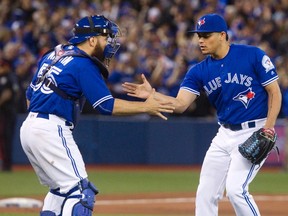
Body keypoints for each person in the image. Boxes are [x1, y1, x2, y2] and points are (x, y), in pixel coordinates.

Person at [122, 13, 282, 215]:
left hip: (254, 129)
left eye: (206, 35)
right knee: (205, 193)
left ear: (223, 35)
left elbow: (274, 92)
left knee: (235, 190)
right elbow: (180, 104)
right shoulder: (198, 71)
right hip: (224, 134)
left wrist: (268, 126)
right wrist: (152, 95)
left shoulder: (252, 55)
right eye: (199, 35)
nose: (201, 40)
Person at [19, 15, 174, 216]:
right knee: (81, 192)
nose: (110, 43)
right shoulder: (83, 63)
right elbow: (106, 105)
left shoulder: (53, 54)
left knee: (59, 191)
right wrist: (145, 106)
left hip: (29, 127)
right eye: (106, 37)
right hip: (51, 128)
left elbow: (29, 97)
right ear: (92, 40)